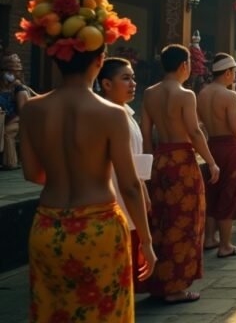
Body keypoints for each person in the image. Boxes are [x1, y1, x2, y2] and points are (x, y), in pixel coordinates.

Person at [22, 45, 157, 321]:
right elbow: (130, 186)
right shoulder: (111, 113)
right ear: (99, 60)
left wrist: (65, 171)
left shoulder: (32, 109)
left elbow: (32, 173)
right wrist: (146, 241)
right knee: (104, 311)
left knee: (53, 310)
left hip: (47, 225)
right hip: (99, 226)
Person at [142, 44, 221, 303]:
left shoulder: (149, 93)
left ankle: (160, 281)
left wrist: (148, 165)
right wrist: (211, 161)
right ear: (184, 66)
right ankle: (176, 287)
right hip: (183, 162)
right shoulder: (186, 95)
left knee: (162, 221)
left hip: (161, 159)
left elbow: (145, 134)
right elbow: (195, 132)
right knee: (185, 222)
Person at [97, 58, 154, 287]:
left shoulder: (127, 114)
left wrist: (145, 193)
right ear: (107, 84)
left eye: (133, 78)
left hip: (131, 199)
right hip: (118, 202)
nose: (132, 84)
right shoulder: (107, 117)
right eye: (125, 78)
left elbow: (136, 165)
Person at [197, 53, 236, 259]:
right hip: (229, 145)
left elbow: (200, 122)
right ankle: (225, 245)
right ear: (227, 72)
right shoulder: (229, 96)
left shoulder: (202, 93)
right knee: (229, 193)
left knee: (213, 192)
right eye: (234, 73)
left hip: (211, 145)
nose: (235, 77)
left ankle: (209, 238)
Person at [0, 53, 30, 170]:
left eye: (14, 72)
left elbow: (24, 113)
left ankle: (10, 162)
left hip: (17, 120)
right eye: (9, 71)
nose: (12, 75)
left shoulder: (19, 90)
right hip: (2, 119)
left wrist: (9, 122)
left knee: (7, 132)